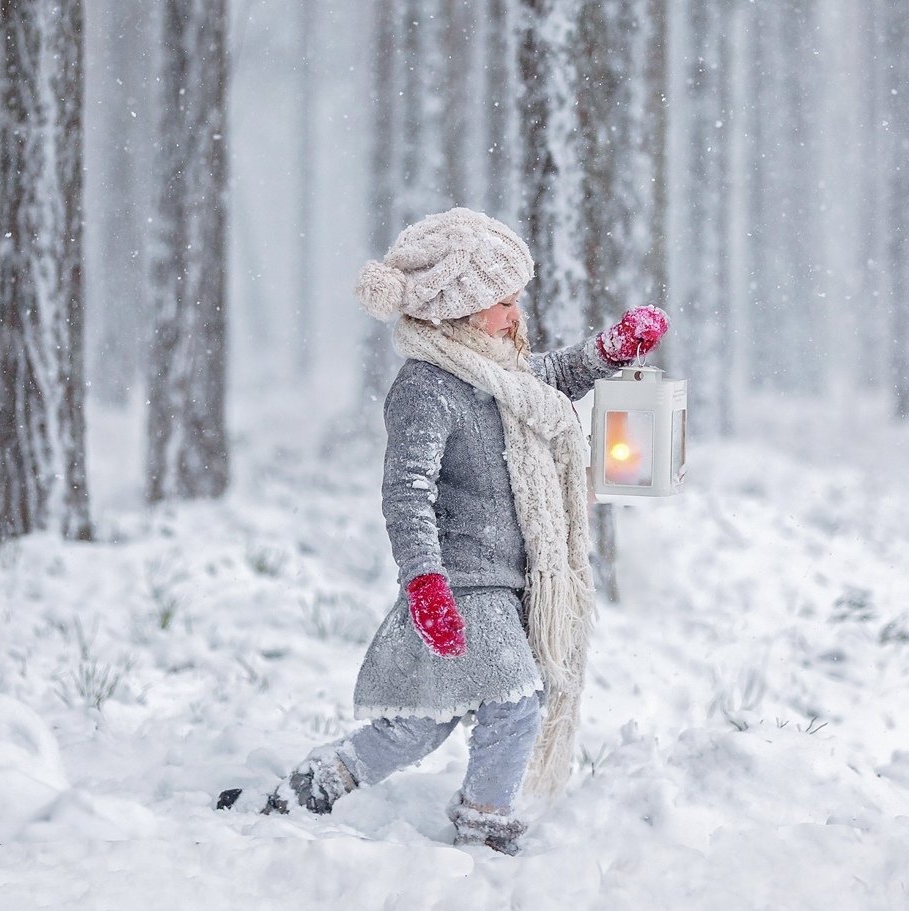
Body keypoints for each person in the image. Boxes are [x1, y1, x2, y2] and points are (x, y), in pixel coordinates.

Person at [218, 208, 667, 854]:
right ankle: (485, 825)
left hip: (505, 584)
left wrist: (612, 349)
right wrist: (426, 584)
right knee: (515, 701)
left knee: (419, 723)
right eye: (502, 303)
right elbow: (407, 493)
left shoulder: (500, 373)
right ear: (460, 311)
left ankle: (318, 784)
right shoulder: (426, 389)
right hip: (462, 586)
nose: (515, 315)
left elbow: (557, 379)